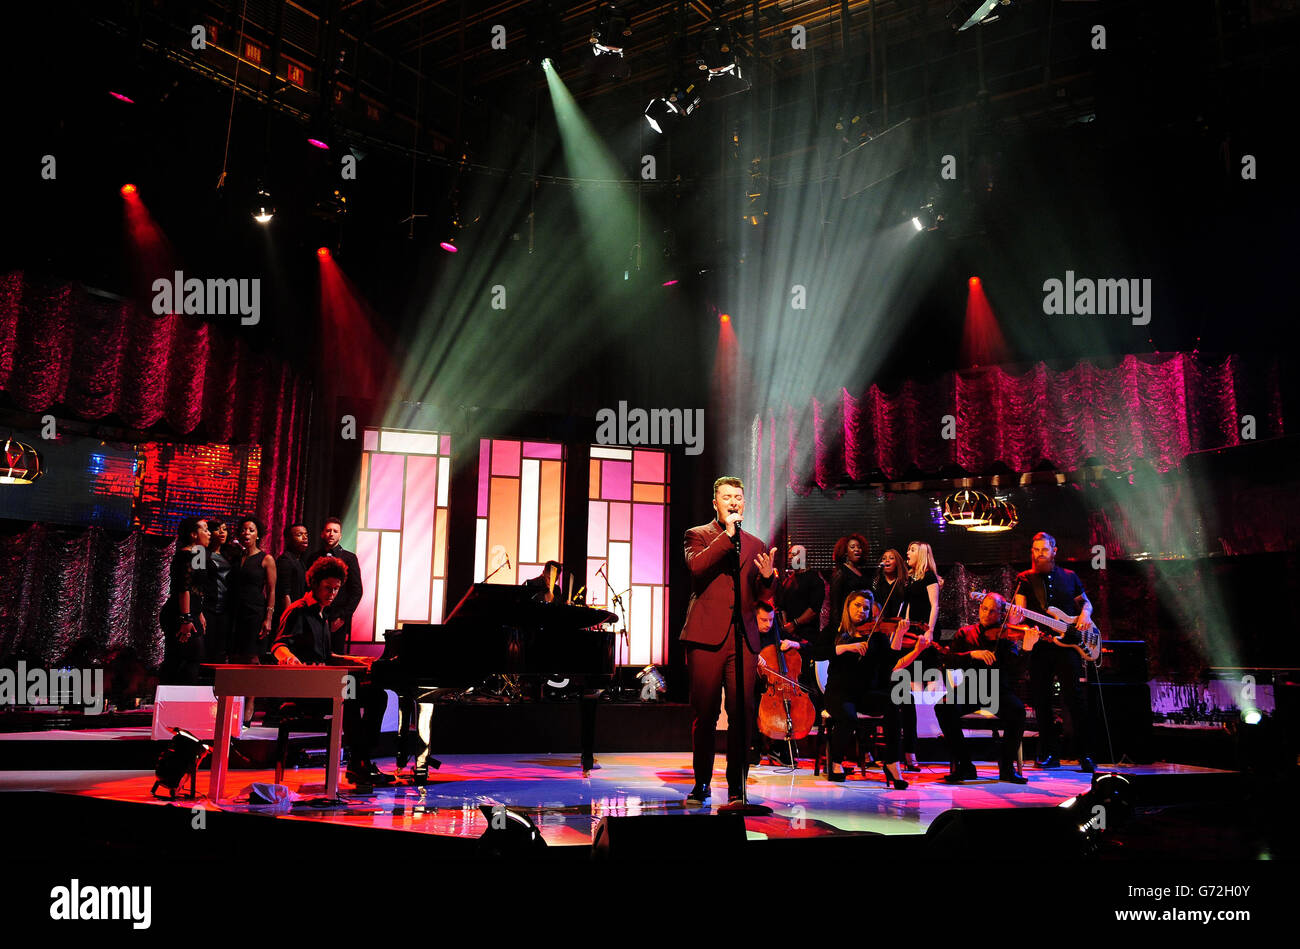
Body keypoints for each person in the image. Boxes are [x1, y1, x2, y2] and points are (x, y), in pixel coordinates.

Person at [681, 476, 776, 806]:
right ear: (715, 503)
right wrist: (727, 536)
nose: (734, 502)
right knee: (705, 715)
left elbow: (761, 596)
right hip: (706, 639)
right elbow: (697, 567)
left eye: (738, 497)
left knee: (743, 714)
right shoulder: (698, 535)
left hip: (743, 639)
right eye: (727, 497)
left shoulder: (756, 544)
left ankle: (737, 787)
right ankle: (702, 784)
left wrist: (767, 579)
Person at [271, 556, 394, 786]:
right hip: (306, 690)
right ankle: (360, 763)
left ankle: (360, 760)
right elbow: (279, 645)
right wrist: (290, 659)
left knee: (377, 694)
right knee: (348, 697)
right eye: (328, 588)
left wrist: (358, 659)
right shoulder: (298, 611)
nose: (333, 593)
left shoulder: (322, 614)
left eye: (337, 589)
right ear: (314, 583)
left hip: (326, 686)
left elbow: (327, 657)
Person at [824, 591, 928, 788]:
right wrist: (848, 647)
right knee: (849, 717)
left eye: (865, 608)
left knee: (894, 702)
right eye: (857, 606)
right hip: (839, 692)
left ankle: (892, 762)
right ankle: (836, 762)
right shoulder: (835, 631)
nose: (862, 611)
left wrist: (899, 634)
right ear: (848, 606)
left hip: (864, 693)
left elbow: (890, 662)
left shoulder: (876, 636)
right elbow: (818, 652)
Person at [1015, 532, 1096, 772]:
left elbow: (1086, 603)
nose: (1040, 553)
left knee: (1075, 699)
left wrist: (1085, 615)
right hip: (1040, 647)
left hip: (1068, 646)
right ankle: (1050, 753)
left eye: (1044, 549)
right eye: (1036, 549)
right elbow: (1019, 610)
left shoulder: (1069, 576)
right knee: (1041, 701)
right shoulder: (1025, 578)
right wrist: (1017, 616)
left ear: (1054, 551)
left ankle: (1086, 754)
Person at [934, 593, 1028, 784]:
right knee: (943, 707)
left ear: (1001, 613)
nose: (986, 614)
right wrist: (971, 655)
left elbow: (1017, 671)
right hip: (970, 689)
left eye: (992, 611)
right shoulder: (965, 633)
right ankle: (966, 765)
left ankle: (1007, 768)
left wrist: (1027, 648)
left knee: (1017, 710)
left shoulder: (1007, 637)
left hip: (998, 691)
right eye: (984, 609)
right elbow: (948, 660)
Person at [897, 541, 942, 771]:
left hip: (923, 632)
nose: (908, 552)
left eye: (912, 549)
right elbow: (907, 606)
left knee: (917, 691)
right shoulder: (910, 578)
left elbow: (934, 605)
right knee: (905, 694)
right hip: (909, 633)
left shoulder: (929, 577)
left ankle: (913, 750)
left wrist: (930, 630)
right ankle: (906, 751)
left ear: (923, 553)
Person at [231, 516, 276, 725]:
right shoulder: (236, 557)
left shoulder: (265, 559)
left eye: (251, 530)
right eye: (243, 530)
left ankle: (250, 704)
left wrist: (268, 617)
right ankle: (235, 705)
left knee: (253, 660)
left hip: (255, 613)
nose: (246, 533)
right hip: (236, 613)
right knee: (236, 659)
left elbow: (272, 590)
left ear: (258, 534)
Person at [159, 517, 210, 685]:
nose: (209, 534)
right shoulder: (186, 555)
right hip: (179, 613)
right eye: (205, 530)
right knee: (184, 659)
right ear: (194, 534)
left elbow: (198, 588)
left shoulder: (200, 553)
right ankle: (172, 701)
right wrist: (186, 617)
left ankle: (183, 701)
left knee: (194, 658)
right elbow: (184, 589)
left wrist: (199, 611)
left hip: (192, 611)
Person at [307, 517, 363, 653]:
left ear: (340, 535)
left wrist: (343, 617)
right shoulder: (313, 557)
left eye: (335, 531)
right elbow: (308, 587)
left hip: (338, 617)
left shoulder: (349, 558)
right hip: (314, 615)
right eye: (328, 530)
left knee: (336, 656)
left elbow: (356, 591)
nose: (331, 534)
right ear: (322, 534)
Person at [201, 517, 236, 664]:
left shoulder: (230, 554)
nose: (222, 532)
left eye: (225, 529)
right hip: (207, 607)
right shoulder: (200, 552)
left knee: (221, 650)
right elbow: (195, 581)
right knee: (206, 648)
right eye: (217, 529)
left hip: (226, 608)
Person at [275, 521, 311, 635]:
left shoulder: (299, 560)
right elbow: (285, 592)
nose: (304, 538)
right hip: (290, 616)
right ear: (288, 540)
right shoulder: (285, 561)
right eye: (299, 535)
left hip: (298, 613)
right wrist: (289, 618)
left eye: (306, 534)